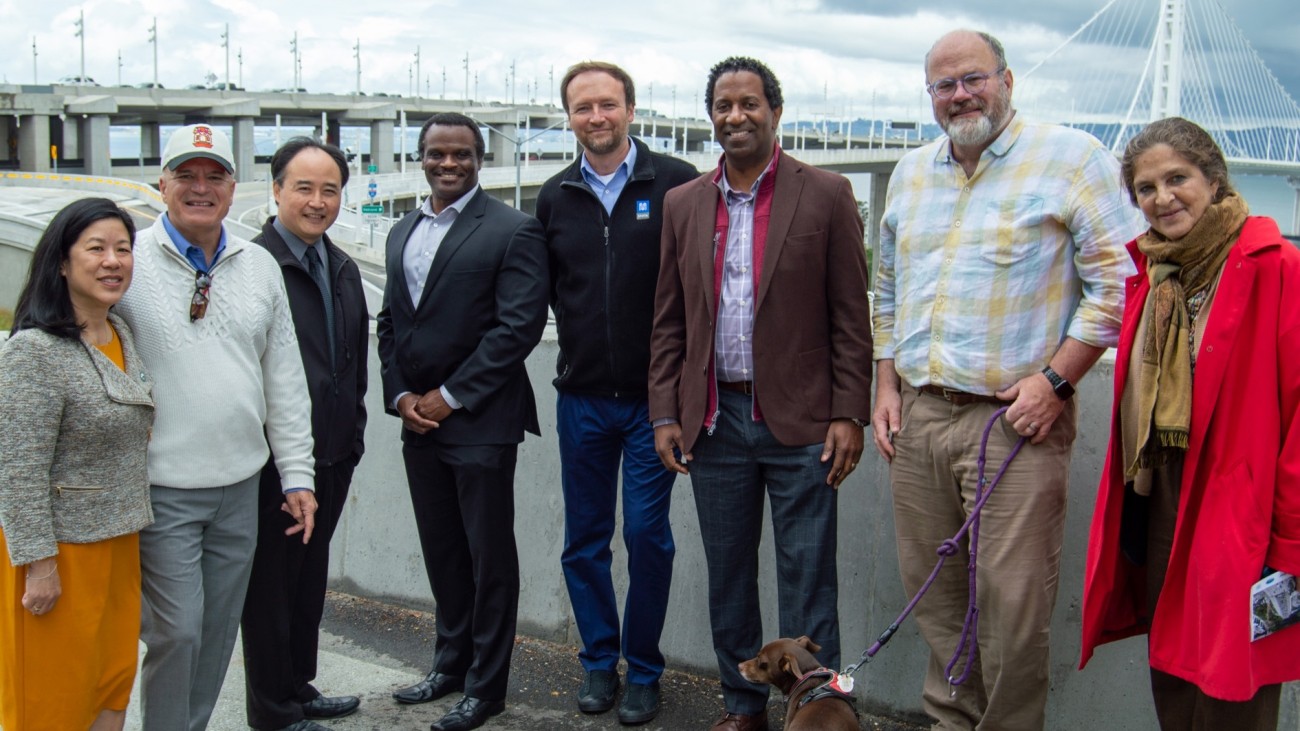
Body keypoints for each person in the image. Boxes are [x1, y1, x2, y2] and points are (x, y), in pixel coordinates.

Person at [871, 30, 1141, 731]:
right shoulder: (912, 172)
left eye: (973, 79)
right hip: (922, 416)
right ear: (929, 95)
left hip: (1016, 420)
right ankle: (949, 721)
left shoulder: (1075, 159)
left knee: (1012, 605)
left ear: (1008, 80)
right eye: (943, 85)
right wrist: (886, 386)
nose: (959, 94)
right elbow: (888, 290)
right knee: (935, 596)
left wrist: (1055, 381)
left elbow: (1118, 286)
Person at [648, 56, 872, 731]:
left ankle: (820, 712)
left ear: (774, 110)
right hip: (713, 422)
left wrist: (848, 412)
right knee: (728, 575)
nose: (735, 115)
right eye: (723, 104)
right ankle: (744, 705)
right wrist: (664, 411)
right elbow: (668, 318)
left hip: (801, 421)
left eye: (749, 103)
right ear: (710, 114)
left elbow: (849, 317)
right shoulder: (684, 202)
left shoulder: (826, 193)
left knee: (809, 576)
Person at [1080, 117, 1300, 730]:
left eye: (1177, 178)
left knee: (1234, 688)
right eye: (1145, 188)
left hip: (1243, 510)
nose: (1162, 197)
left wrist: (1290, 540)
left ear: (1214, 179)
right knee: (1173, 674)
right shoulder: (1157, 277)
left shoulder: (1276, 266)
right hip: (1162, 501)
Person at [115, 123, 318, 731]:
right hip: (162, 487)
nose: (200, 188)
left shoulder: (258, 265)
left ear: (234, 188)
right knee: (176, 632)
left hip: (240, 487)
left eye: (214, 176)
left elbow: (283, 378)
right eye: (186, 175)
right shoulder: (126, 261)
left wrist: (296, 474)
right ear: (162, 184)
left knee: (217, 632)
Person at [535, 60, 699, 726]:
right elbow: (539, 293)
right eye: (582, 108)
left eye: (607, 104)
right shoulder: (554, 195)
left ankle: (645, 668)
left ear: (632, 109)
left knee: (648, 535)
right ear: (568, 117)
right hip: (580, 398)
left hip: (652, 404)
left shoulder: (680, 184)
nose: (595, 117)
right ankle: (600, 663)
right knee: (584, 540)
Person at [378, 112, 549, 731]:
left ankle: (487, 684)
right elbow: (393, 323)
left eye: (461, 154)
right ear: (421, 157)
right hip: (416, 422)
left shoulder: (512, 229)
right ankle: (450, 664)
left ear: (479, 158)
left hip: (479, 420)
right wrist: (401, 397)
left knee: (488, 557)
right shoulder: (401, 231)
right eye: (436, 154)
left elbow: (517, 329)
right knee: (443, 551)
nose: (448, 164)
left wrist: (450, 396)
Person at [0, 198, 153, 731]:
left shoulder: (119, 334)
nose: (113, 261)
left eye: (124, 249)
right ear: (62, 262)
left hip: (119, 543)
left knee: (110, 683)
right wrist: (39, 565)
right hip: (61, 554)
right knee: (53, 699)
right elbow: (18, 469)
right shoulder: (34, 352)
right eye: (96, 249)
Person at [240, 137, 369, 731]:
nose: (318, 202)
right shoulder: (252, 268)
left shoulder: (338, 264)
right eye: (304, 188)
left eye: (330, 190)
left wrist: (354, 432)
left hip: (334, 453)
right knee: (270, 587)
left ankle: (299, 685)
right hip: (277, 462)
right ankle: (273, 709)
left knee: (308, 578)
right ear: (275, 190)